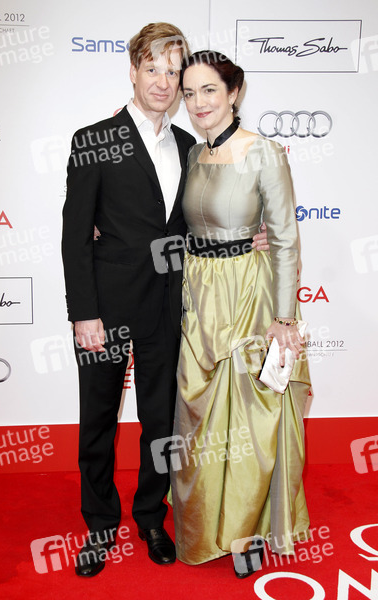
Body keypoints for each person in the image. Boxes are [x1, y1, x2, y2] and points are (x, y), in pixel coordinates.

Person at [62, 25, 269, 577]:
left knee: (161, 421)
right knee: (98, 419)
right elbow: (75, 236)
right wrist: (84, 314)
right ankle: (100, 524)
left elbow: (194, 224)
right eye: (152, 68)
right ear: (132, 71)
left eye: (173, 71)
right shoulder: (93, 140)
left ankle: (152, 517)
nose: (163, 81)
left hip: (169, 307)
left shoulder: (189, 147)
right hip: (105, 310)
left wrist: (244, 238)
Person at [170, 50, 311, 578]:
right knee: (200, 416)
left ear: (234, 93)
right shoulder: (194, 154)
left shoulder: (264, 152)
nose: (198, 103)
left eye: (209, 90)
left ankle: (247, 533)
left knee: (251, 420)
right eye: (189, 93)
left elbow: (285, 240)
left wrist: (284, 318)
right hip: (199, 295)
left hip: (249, 297)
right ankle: (203, 521)